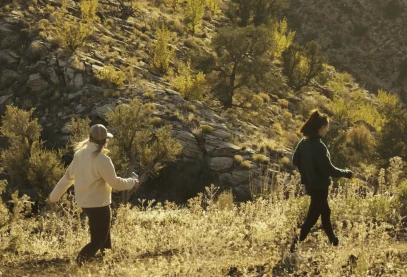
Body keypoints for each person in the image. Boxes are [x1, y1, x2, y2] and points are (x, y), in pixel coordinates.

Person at [49, 124, 139, 265]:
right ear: (104, 141)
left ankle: (109, 267)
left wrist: (53, 197)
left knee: (105, 238)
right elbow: (116, 183)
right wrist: (132, 182)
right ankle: (77, 266)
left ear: (90, 137)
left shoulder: (80, 155)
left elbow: (67, 178)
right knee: (98, 241)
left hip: (85, 203)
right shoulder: (102, 159)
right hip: (99, 205)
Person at [290, 109, 352, 252]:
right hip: (320, 187)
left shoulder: (303, 143)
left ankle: (334, 242)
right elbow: (328, 169)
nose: (328, 130)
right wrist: (345, 173)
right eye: (327, 127)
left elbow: (295, 160)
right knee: (312, 219)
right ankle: (293, 246)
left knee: (325, 212)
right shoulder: (319, 146)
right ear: (321, 128)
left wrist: (306, 174)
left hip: (311, 185)